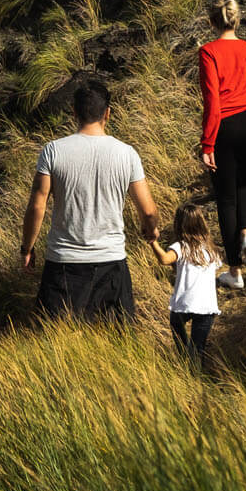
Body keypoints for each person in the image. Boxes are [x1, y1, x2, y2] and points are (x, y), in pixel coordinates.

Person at [21, 79, 159, 320]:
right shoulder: (127, 154)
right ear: (108, 113)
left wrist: (27, 248)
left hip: (63, 264)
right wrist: (151, 230)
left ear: (74, 112)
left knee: (56, 343)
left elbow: (37, 205)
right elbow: (148, 211)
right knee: (117, 343)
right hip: (111, 263)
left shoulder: (53, 151)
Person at [198, 0, 246, 290]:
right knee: (245, 187)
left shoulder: (209, 52)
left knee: (226, 198)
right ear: (237, 20)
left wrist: (207, 144)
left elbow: (213, 102)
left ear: (214, 22)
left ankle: (235, 272)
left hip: (227, 124)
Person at [145, 203, 225, 367]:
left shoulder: (181, 247)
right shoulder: (212, 250)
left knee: (176, 324)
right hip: (207, 306)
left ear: (179, 225)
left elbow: (165, 260)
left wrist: (153, 242)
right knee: (198, 349)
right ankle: (195, 374)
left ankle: (183, 356)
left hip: (185, 304)